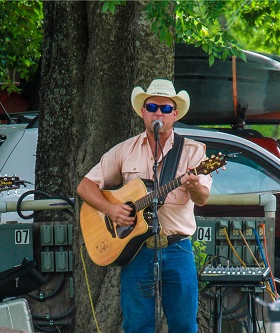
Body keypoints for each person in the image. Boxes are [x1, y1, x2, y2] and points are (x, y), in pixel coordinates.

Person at [77, 79, 213, 332]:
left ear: (175, 114)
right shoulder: (124, 150)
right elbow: (85, 186)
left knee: (184, 325)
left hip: (177, 248)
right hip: (137, 250)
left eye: (164, 108)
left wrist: (193, 185)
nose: (157, 113)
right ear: (143, 112)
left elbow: (202, 198)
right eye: (151, 106)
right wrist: (111, 210)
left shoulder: (193, 152)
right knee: (138, 325)